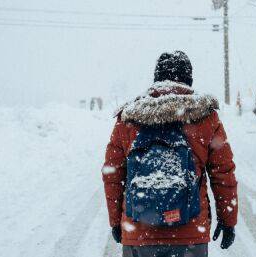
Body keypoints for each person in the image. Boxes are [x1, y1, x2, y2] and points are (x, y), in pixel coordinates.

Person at [102, 51, 238, 257]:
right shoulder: (207, 118)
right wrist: (228, 220)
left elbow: (113, 175)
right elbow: (223, 173)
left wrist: (115, 221)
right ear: (189, 80)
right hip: (190, 234)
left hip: (139, 234)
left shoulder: (128, 118)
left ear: (156, 79)